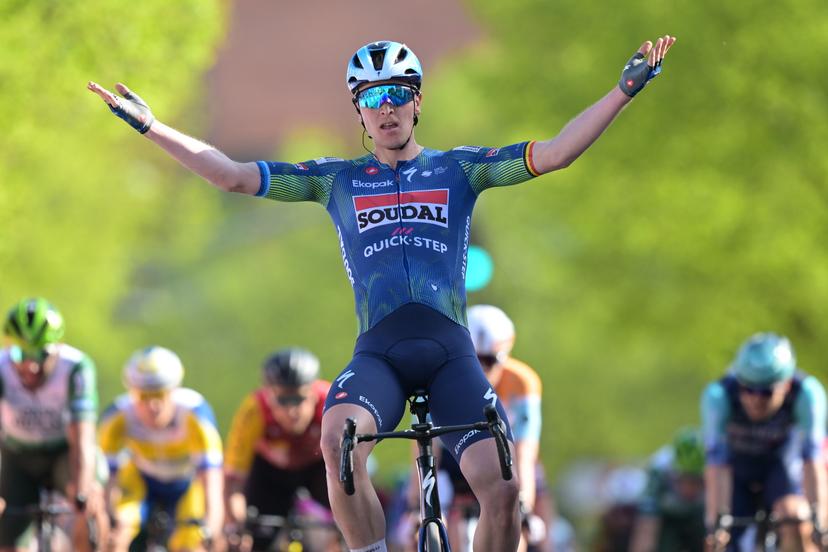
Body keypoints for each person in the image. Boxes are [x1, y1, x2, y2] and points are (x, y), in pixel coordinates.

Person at [88, 34, 676, 552]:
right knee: (337, 439)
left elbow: (554, 154)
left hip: (450, 355)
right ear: (360, 113)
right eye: (371, 98)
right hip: (380, 357)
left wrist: (621, 93)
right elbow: (233, 175)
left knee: (502, 488)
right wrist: (151, 125)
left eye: (397, 93)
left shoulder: (460, 170)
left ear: (418, 102)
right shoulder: (334, 179)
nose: (386, 107)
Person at [428, 305, 548, 551]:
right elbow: (427, 447)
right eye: (474, 359)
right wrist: (417, 505)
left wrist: (523, 507)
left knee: (519, 511)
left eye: (490, 360)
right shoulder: (440, 377)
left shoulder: (523, 382)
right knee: (425, 523)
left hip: (508, 454)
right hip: (455, 456)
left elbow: (525, 454)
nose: (481, 369)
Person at [701, 333, 828, 551]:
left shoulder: (807, 394)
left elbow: (812, 462)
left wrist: (820, 523)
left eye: (766, 392)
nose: (755, 399)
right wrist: (715, 523)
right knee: (726, 540)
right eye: (748, 389)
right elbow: (717, 466)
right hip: (736, 470)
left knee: (796, 519)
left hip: (781, 464)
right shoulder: (718, 395)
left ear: (786, 385)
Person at [0, 297, 107, 552]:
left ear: (57, 347)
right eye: (20, 354)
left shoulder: (76, 368)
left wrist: (82, 490)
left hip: (64, 453)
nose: (30, 365)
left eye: (41, 353)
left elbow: (82, 436)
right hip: (17, 454)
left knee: (90, 508)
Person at [98, 346, 224, 552]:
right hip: (140, 481)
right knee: (118, 534)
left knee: (194, 544)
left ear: (175, 390)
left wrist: (210, 529)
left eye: (160, 395)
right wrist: (109, 520)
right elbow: (107, 478)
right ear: (131, 393)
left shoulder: (195, 415)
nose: (153, 405)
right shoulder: (117, 416)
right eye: (144, 397)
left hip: (185, 484)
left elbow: (212, 482)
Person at [223, 347, 333, 551]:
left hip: (319, 468)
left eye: (299, 399)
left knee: (345, 529)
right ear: (268, 395)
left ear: (313, 392)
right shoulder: (254, 409)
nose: (292, 411)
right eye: (283, 400)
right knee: (253, 540)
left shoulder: (331, 402)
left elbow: (352, 473)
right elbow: (233, 480)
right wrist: (238, 526)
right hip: (270, 473)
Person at [629, 427, 706, 552]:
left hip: (697, 518)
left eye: (697, 481)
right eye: (685, 479)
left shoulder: (714, 474)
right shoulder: (658, 472)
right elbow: (646, 529)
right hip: (666, 520)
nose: (690, 488)